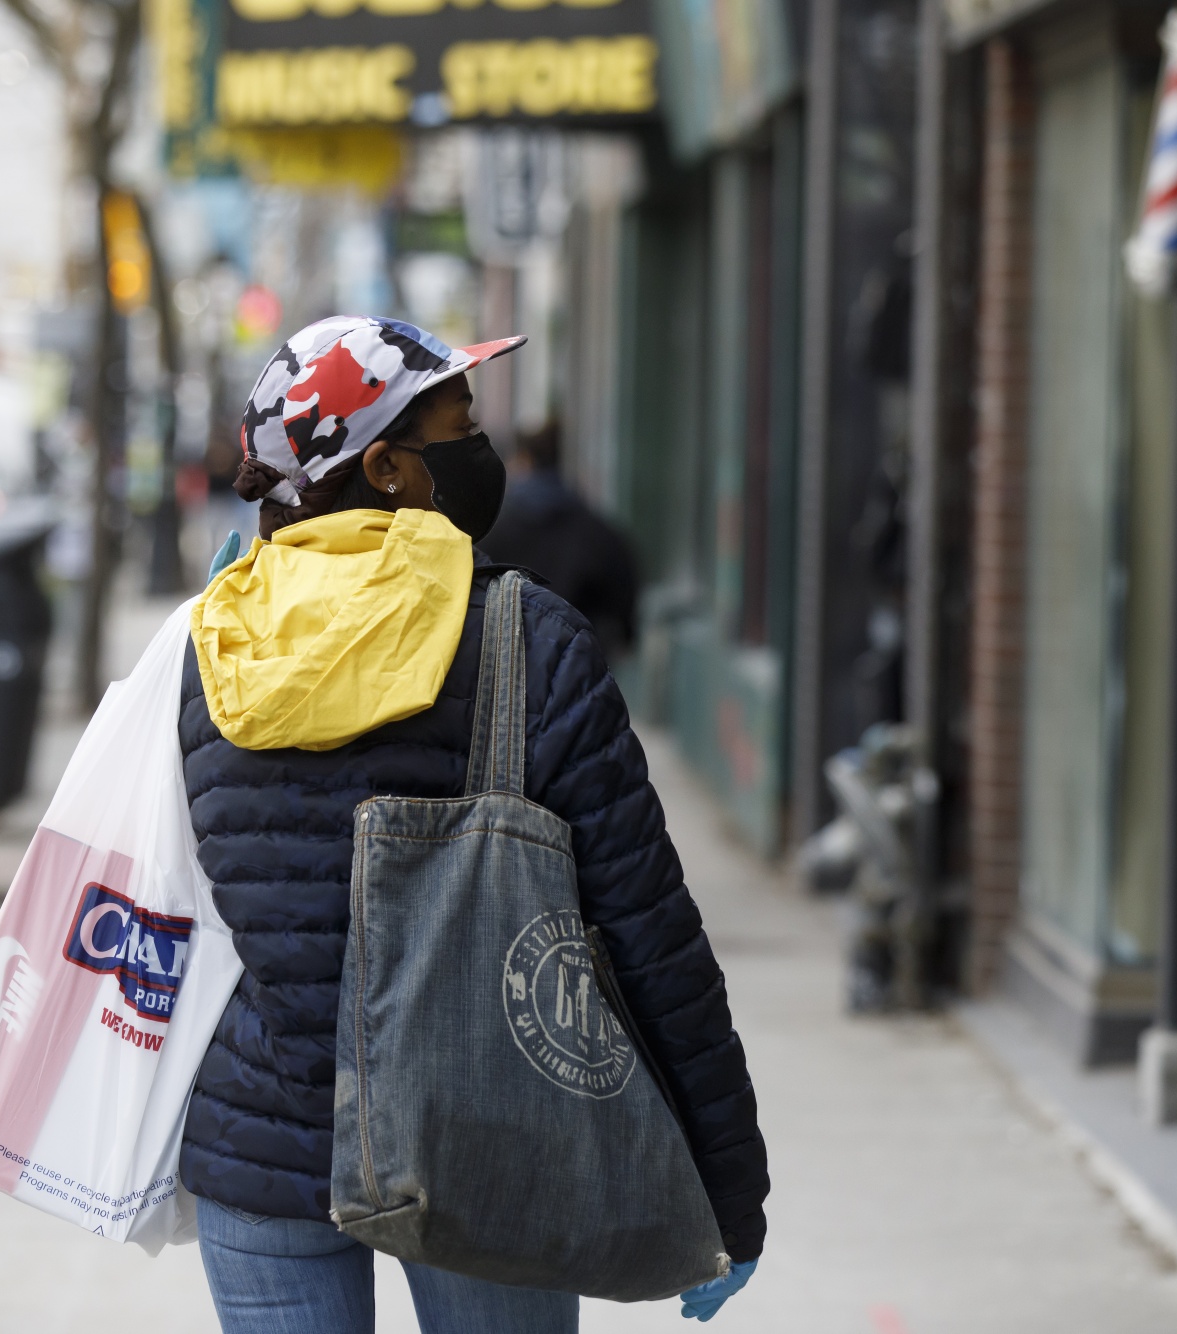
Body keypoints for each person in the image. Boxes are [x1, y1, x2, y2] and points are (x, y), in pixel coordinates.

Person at [178, 316, 769, 1332]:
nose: (478, 444)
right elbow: (646, 932)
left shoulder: (211, 646)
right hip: (487, 1145)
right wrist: (726, 1186)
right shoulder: (525, 636)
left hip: (263, 1144)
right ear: (390, 466)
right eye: (459, 422)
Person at [482, 421, 640, 665]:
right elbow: (623, 599)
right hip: (576, 667)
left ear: (525, 461)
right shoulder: (596, 533)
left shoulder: (493, 532)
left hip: (505, 668)